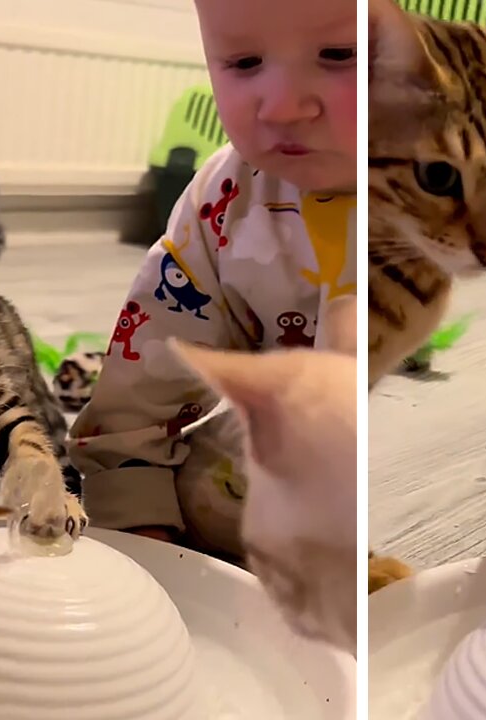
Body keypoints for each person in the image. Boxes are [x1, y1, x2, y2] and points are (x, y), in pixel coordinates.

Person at [69, 0, 357, 560]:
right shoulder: (225, 198)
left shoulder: (442, 184)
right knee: (208, 492)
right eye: (244, 61)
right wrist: (135, 520)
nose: (283, 107)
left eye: (338, 54)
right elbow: (141, 387)